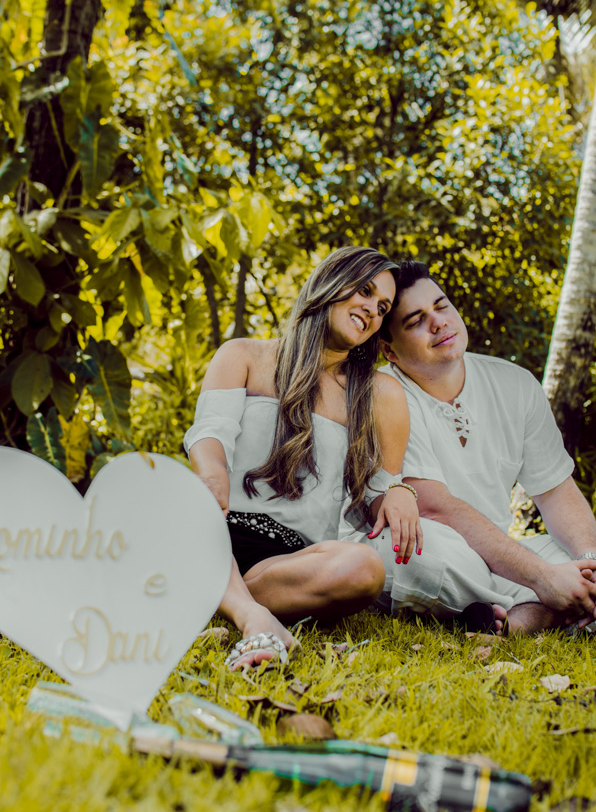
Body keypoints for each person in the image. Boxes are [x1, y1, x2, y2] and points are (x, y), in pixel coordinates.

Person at [184, 246, 422, 668]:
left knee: (364, 569)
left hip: (292, 565)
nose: (371, 309)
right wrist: (212, 474)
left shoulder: (379, 394)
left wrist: (398, 492)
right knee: (158, 491)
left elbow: (375, 497)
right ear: (330, 281)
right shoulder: (244, 355)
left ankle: (212, 595)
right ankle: (251, 614)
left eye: (382, 307)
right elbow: (210, 434)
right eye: (364, 291)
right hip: (213, 533)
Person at [342, 260, 596, 635]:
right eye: (415, 321)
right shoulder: (383, 393)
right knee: (423, 553)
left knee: (572, 559)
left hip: (498, 555)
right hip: (422, 543)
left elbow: (557, 491)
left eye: (442, 306)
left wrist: (588, 562)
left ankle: (509, 620)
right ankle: (545, 608)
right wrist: (543, 578)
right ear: (389, 351)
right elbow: (432, 505)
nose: (439, 322)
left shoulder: (516, 384)